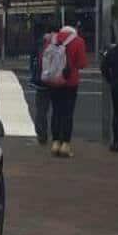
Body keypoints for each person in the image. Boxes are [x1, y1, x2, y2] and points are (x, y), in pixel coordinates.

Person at [43, 23, 88, 158]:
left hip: (54, 81)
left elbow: (44, 57)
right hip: (70, 82)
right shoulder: (78, 41)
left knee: (56, 111)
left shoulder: (52, 39)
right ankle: (65, 145)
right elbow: (82, 63)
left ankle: (55, 142)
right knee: (67, 113)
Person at [28, 23, 54, 146]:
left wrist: (34, 75)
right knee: (58, 111)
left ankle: (42, 136)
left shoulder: (40, 43)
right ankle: (58, 137)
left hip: (42, 82)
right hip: (58, 82)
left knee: (41, 111)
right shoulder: (61, 42)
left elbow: (32, 61)